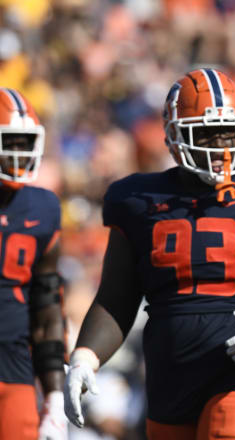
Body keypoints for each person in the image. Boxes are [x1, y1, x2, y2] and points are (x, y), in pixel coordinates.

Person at [63, 68, 235, 439]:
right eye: (206, 133)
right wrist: (85, 356)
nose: (220, 145)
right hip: (170, 375)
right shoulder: (137, 201)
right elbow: (117, 297)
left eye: (230, 132)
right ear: (174, 135)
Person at [0, 88, 68, 439]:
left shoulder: (42, 208)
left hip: (15, 367)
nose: (18, 152)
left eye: (25, 142)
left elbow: (47, 307)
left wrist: (54, 398)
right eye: (9, 141)